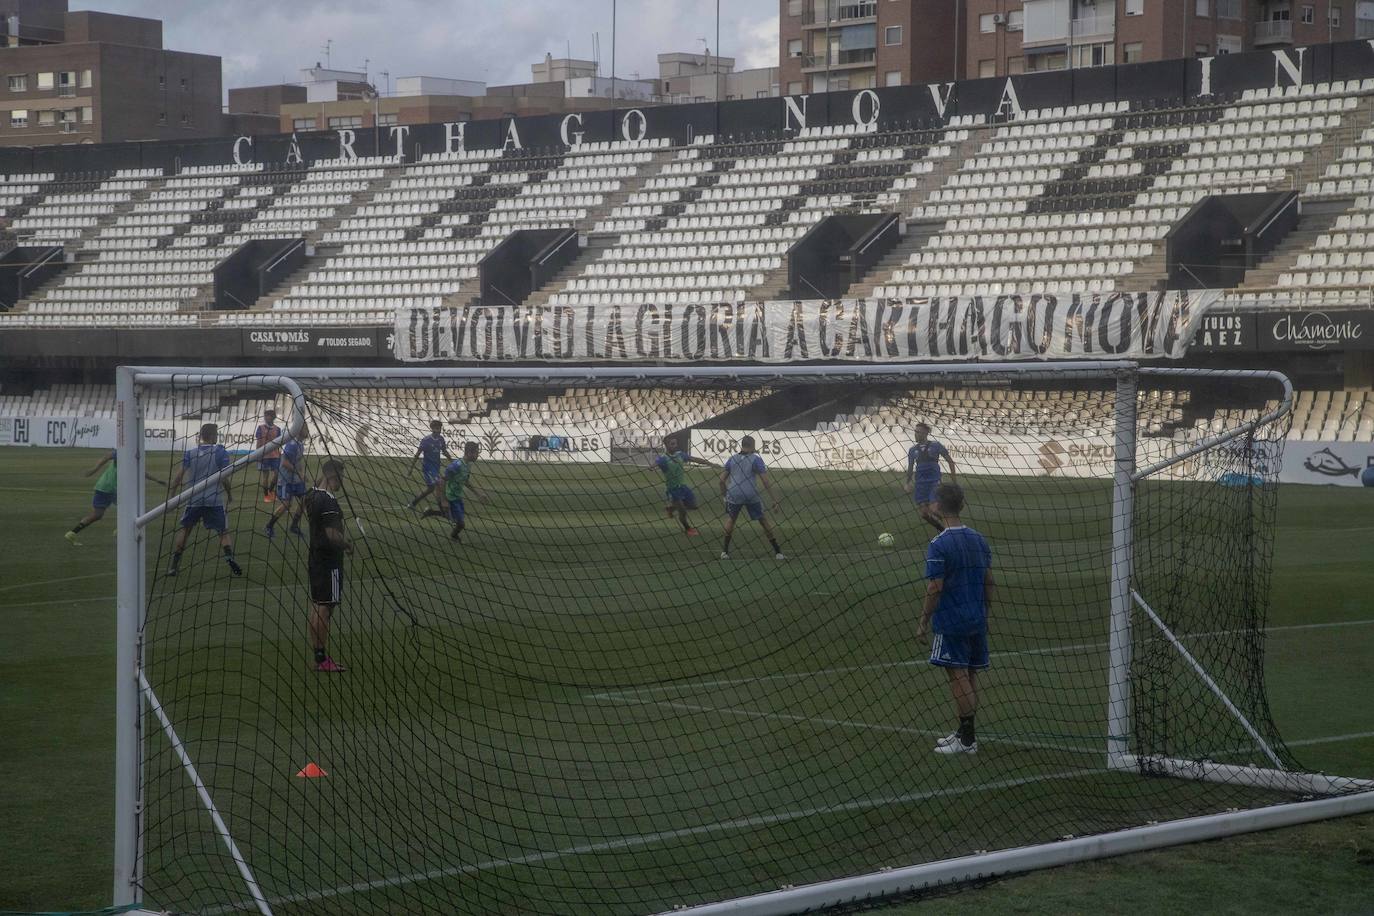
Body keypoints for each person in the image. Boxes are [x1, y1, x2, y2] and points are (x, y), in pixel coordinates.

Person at [917, 483, 994, 756]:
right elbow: (989, 581)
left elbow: (935, 586)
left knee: (957, 676)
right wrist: (986, 614)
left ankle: (968, 740)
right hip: (975, 617)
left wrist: (923, 621)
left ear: (938, 505)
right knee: (970, 674)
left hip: (952, 619)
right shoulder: (978, 538)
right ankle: (964, 732)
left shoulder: (939, 544)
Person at [167, 423, 242, 577]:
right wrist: (229, 494)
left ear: (201, 436)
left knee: (185, 530)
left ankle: (174, 566)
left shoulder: (190, 453)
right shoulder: (220, 452)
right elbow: (224, 477)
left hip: (193, 498)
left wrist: (172, 494)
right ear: (214, 436)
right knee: (223, 532)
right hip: (213, 499)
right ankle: (229, 557)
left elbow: (179, 476)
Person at [303, 460, 352, 673]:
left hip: (315, 557)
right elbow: (332, 535)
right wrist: (348, 545)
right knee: (325, 608)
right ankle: (322, 661)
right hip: (330, 560)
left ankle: (318, 656)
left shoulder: (312, 494)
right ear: (335, 475)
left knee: (317, 605)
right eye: (342, 476)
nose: (343, 481)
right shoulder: (329, 500)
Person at [64, 451, 165, 545]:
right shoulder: (125, 452)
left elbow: (142, 473)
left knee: (98, 515)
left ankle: (72, 533)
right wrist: (94, 469)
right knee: (133, 508)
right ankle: (119, 532)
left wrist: (157, 480)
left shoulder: (132, 460)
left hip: (103, 487)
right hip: (110, 489)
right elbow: (108, 456)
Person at [719, 436, 784, 561]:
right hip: (750, 493)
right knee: (763, 520)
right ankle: (778, 552)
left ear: (742, 445)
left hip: (734, 493)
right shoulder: (756, 459)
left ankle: (724, 552)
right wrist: (774, 499)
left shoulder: (732, 459)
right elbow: (765, 481)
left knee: (731, 520)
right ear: (753, 445)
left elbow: (721, 481)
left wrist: (724, 497)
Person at [653, 434, 713, 537]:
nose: (675, 446)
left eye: (676, 443)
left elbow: (694, 459)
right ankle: (688, 529)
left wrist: (709, 463)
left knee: (693, 506)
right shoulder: (663, 458)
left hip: (683, 487)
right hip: (672, 489)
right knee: (683, 511)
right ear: (666, 445)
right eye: (672, 444)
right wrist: (652, 467)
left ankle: (671, 508)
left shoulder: (680, 455)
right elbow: (655, 464)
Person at [423, 441, 483, 541]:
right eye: (476, 453)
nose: (477, 455)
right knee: (460, 523)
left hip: (457, 496)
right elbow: (442, 480)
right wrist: (444, 500)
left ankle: (431, 512)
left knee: (454, 519)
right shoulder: (457, 465)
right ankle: (453, 536)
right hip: (449, 496)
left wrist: (478, 494)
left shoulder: (468, 465)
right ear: (469, 453)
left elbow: (466, 481)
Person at [905, 422, 957, 533]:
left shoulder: (936, 445)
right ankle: (943, 530)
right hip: (920, 485)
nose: (915, 434)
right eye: (915, 432)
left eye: (918, 432)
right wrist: (908, 483)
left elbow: (950, 462)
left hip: (934, 482)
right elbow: (910, 468)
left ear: (925, 433)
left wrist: (954, 481)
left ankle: (952, 525)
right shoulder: (912, 450)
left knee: (933, 509)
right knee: (924, 513)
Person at [264, 422, 309, 540]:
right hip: (286, 479)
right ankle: (269, 525)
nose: (307, 430)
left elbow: (298, 461)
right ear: (299, 430)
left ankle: (294, 525)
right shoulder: (292, 444)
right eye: (305, 428)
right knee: (287, 504)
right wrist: (300, 473)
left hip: (296, 479)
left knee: (305, 499)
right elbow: (284, 463)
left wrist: (302, 474)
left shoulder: (300, 444)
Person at [407, 420, 453, 509]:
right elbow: (417, 454)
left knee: (430, 489)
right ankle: (442, 506)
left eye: (439, 428)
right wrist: (411, 468)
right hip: (427, 468)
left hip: (436, 468)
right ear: (432, 428)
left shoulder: (441, 439)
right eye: (436, 428)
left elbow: (444, 451)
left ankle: (413, 503)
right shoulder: (426, 440)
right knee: (440, 483)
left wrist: (452, 461)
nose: (438, 430)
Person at [255, 409, 283, 504]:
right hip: (264, 455)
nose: (267, 418)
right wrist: (257, 454)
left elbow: (279, 443)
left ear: (273, 417)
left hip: (275, 455)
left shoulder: (277, 429)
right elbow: (258, 442)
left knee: (277, 474)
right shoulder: (260, 428)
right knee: (265, 476)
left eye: (269, 416)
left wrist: (279, 453)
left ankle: (270, 491)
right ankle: (266, 495)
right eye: (266, 416)